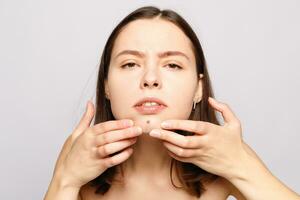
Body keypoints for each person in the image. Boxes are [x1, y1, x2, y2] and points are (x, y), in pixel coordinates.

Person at [44, 6, 300, 200]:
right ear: (107, 86)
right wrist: (66, 180)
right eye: (130, 64)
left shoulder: (229, 157)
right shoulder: (77, 154)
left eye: (173, 65)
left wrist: (241, 165)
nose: (151, 79)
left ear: (198, 88)